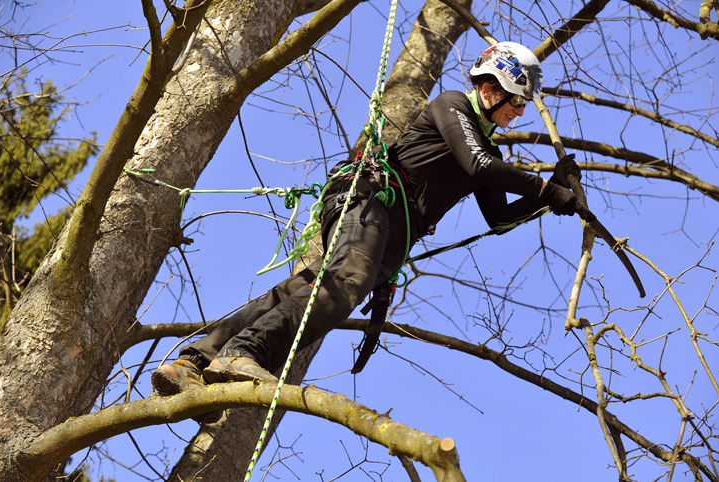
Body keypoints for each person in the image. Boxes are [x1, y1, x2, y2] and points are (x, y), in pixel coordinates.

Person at [151, 42, 585, 423]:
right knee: (345, 283)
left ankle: (193, 362)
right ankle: (243, 355)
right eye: (515, 100)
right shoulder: (452, 106)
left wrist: (554, 196)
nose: (519, 110)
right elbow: (479, 166)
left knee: (305, 288)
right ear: (490, 87)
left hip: (390, 232)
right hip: (372, 202)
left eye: (523, 104)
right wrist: (547, 186)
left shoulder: (487, 147)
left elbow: (499, 219)